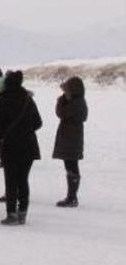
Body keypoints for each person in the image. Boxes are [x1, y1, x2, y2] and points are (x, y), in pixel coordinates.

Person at [0, 70, 42, 226]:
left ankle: (11, 214)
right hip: (28, 145)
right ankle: (22, 213)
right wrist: (25, 129)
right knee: (23, 180)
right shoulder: (28, 99)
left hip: (10, 146)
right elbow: (38, 122)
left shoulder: (4, 100)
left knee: (11, 182)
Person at [53, 76, 88, 208]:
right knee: (71, 166)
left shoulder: (76, 103)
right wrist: (64, 96)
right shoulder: (77, 101)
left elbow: (61, 113)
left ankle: (72, 197)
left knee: (71, 166)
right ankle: (72, 196)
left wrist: (61, 100)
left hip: (71, 138)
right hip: (71, 138)